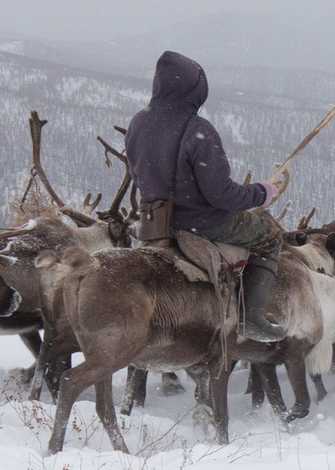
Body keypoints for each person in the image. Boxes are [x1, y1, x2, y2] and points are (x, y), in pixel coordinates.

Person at [123, 50, 288, 342]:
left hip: (155, 222)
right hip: (201, 221)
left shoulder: (139, 122)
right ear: (195, 89)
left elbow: (137, 175)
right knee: (270, 234)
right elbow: (221, 194)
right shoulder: (198, 129)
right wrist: (261, 193)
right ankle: (250, 316)